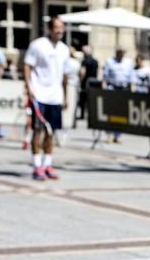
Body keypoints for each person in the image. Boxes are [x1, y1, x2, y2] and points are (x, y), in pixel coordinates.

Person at [23, 17, 70, 181]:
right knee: (38, 130)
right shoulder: (38, 45)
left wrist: (65, 96)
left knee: (52, 132)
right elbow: (27, 65)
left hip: (55, 97)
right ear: (50, 29)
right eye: (57, 28)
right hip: (39, 94)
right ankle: (37, 166)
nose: (60, 31)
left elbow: (65, 75)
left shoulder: (64, 49)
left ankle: (47, 164)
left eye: (62, 28)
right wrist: (29, 88)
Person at [102, 47, 133, 144]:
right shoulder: (110, 61)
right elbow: (105, 76)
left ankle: (117, 135)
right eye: (120, 52)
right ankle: (109, 134)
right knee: (110, 112)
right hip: (112, 88)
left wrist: (131, 90)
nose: (121, 54)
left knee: (121, 114)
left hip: (123, 89)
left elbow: (131, 77)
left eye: (123, 52)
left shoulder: (128, 62)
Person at [78, 45, 99, 123]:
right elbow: (97, 72)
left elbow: (83, 72)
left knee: (83, 99)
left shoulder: (85, 61)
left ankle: (82, 115)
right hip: (93, 82)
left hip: (86, 82)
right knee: (91, 100)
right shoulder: (95, 61)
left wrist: (80, 80)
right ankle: (91, 116)